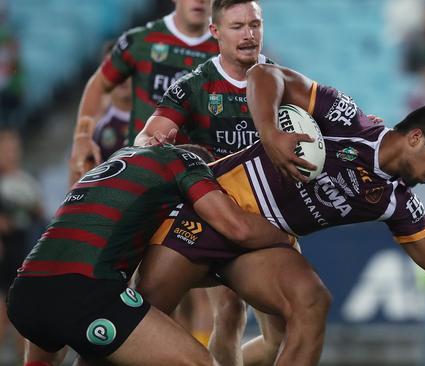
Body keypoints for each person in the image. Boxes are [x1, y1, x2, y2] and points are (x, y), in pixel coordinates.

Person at [135, 63, 425, 366]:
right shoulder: (347, 120)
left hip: (260, 241)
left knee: (312, 301)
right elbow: (264, 74)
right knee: (141, 321)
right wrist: (269, 134)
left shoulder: (397, 202)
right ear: (415, 137)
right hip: (208, 207)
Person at [8, 141, 292, 366]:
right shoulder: (187, 164)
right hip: (83, 292)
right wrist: (285, 236)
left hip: (26, 292)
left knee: (66, 351)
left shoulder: (121, 160)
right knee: (200, 362)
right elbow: (237, 227)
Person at [134, 1, 307, 364]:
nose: (249, 35)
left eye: (255, 25)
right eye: (238, 26)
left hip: (271, 220)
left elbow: (325, 128)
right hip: (219, 218)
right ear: (215, 32)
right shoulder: (193, 86)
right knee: (229, 312)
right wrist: (158, 143)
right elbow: (147, 138)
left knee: (286, 335)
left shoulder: (285, 82)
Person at [69, 0, 219, 185]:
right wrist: (82, 135)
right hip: (141, 173)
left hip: (201, 175)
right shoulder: (140, 41)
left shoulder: (227, 47)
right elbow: (99, 84)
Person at [0, 129, 43, 362]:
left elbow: (40, 212)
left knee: (21, 320)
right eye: (5, 150)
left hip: (24, 253)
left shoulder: (25, 179)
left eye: (13, 149)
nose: (10, 154)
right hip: (5, 255)